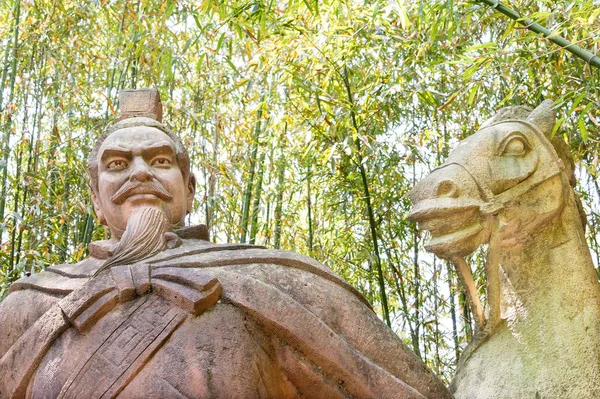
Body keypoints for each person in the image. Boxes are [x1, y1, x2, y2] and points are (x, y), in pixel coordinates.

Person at [0, 89, 451, 399]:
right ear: (96, 199)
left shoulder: (272, 278)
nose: (139, 172)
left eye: (159, 160)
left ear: (190, 188)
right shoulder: (28, 305)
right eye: (118, 164)